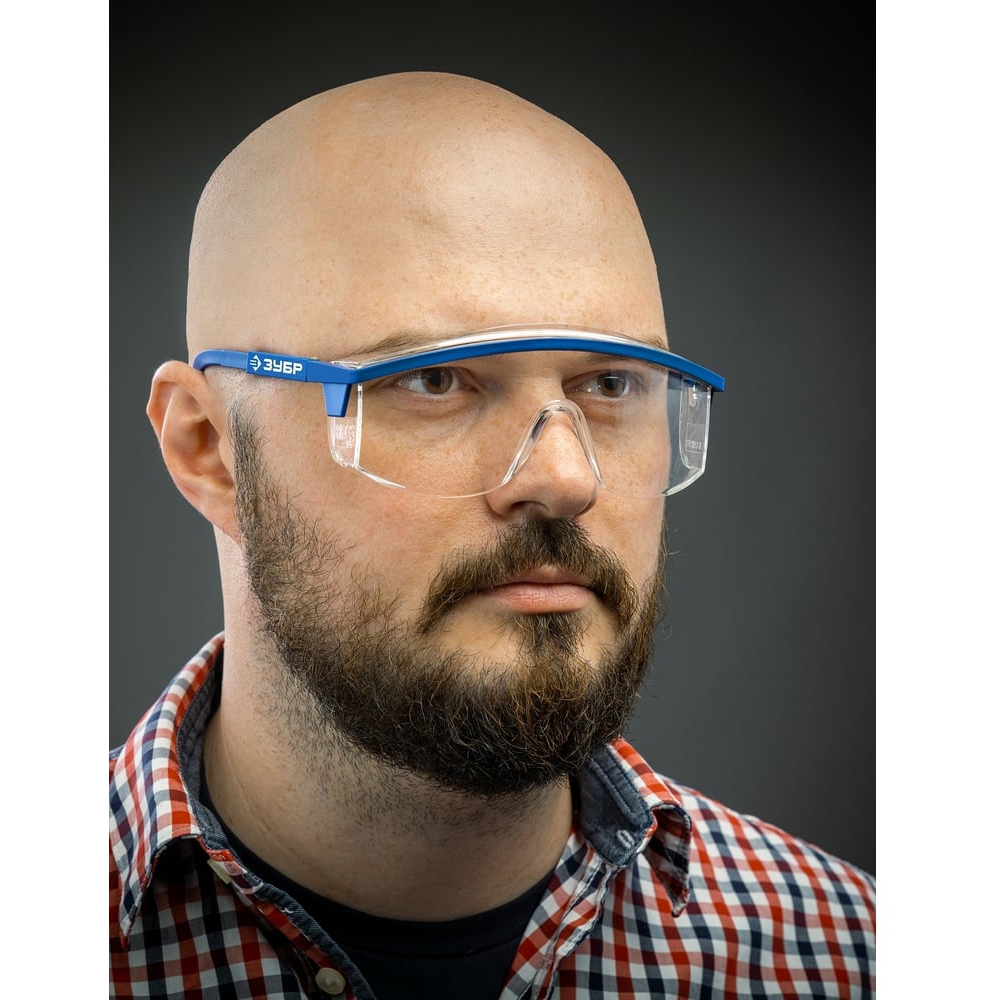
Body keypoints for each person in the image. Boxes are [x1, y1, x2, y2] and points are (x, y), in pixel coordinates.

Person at [109, 71, 875, 999]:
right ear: (208, 450)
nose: (564, 478)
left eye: (611, 385)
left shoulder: (848, 956)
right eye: (433, 381)